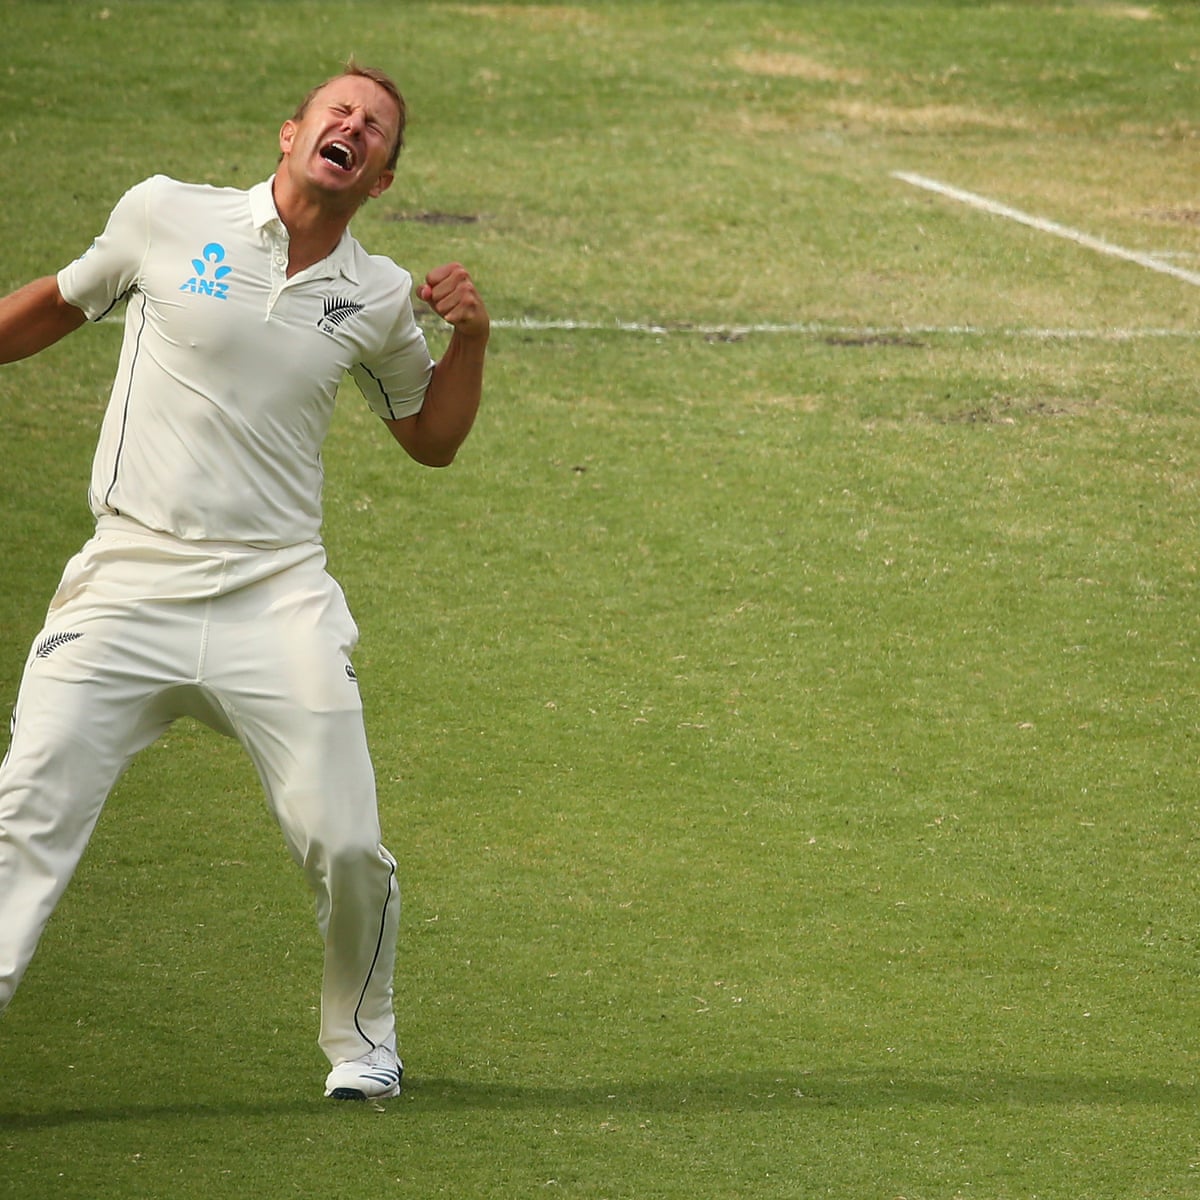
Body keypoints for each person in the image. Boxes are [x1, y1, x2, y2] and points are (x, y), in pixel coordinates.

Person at [0, 62, 489, 1100]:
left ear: (381, 179)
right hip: (129, 581)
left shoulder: (379, 295)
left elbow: (431, 438)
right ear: (292, 133)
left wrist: (472, 342)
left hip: (278, 600)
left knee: (348, 844)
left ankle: (364, 1052)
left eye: (376, 128)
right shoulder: (164, 215)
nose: (352, 125)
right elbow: (56, 304)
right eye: (338, 110)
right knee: (25, 818)